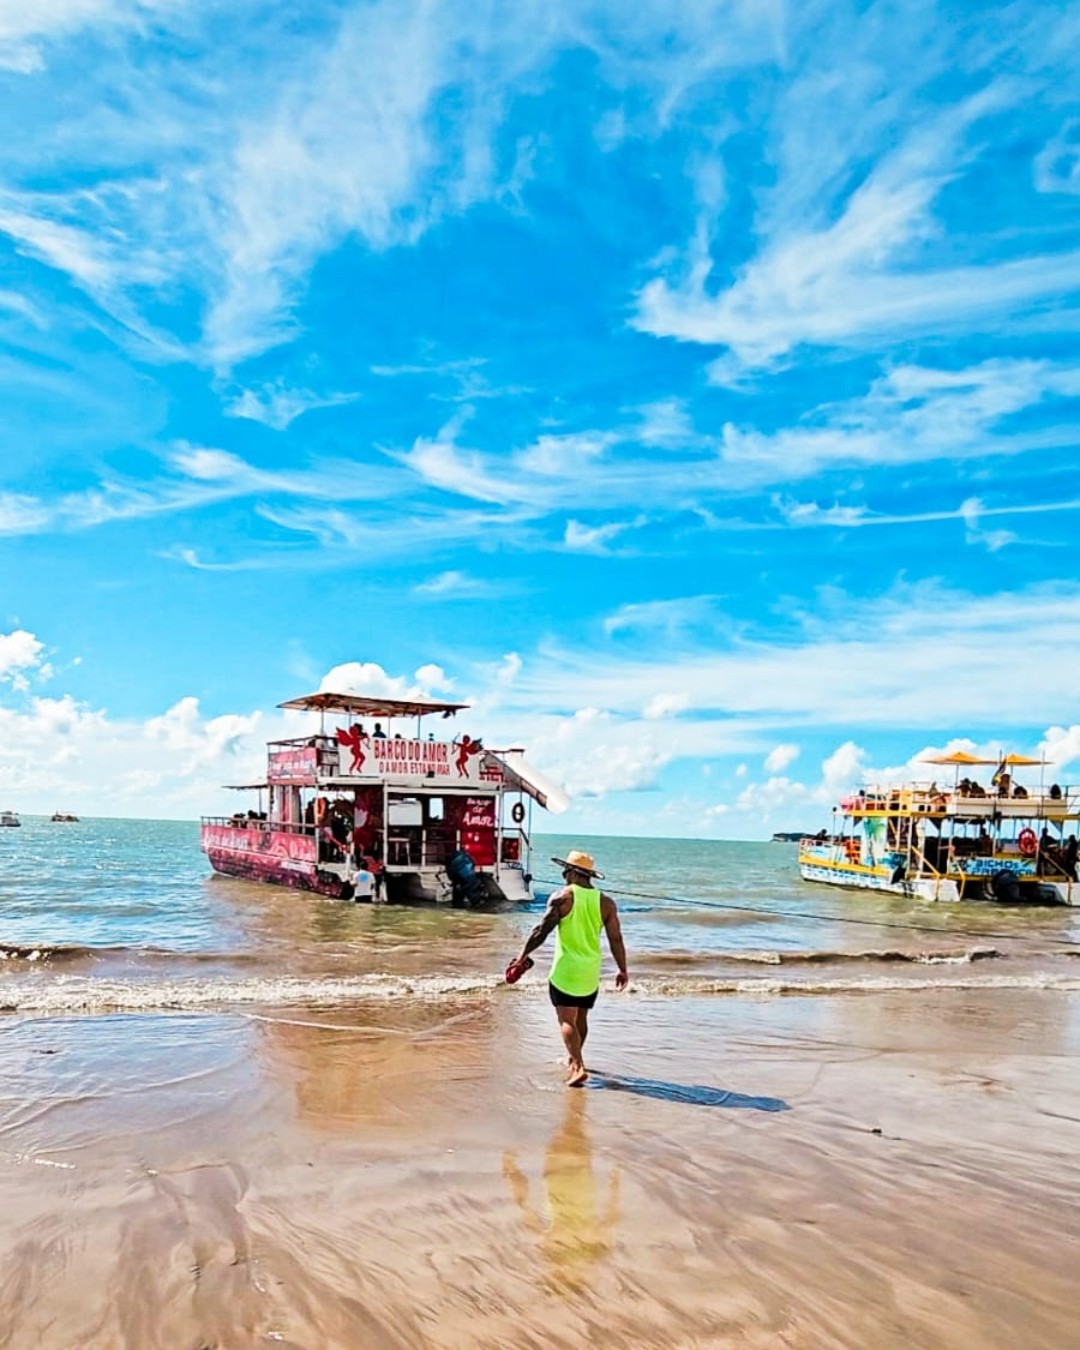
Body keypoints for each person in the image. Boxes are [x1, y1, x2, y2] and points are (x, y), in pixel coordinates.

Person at [509, 849, 628, 1087]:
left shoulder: (562, 897)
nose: (563, 874)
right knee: (581, 1017)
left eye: (565, 870)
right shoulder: (606, 903)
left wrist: (522, 956)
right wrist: (622, 969)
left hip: (566, 969)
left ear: (573, 872)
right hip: (590, 970)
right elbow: (616, 938)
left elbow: (541, 931)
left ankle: (578, 1066)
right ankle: (575, 1060)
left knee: (566, 1020)